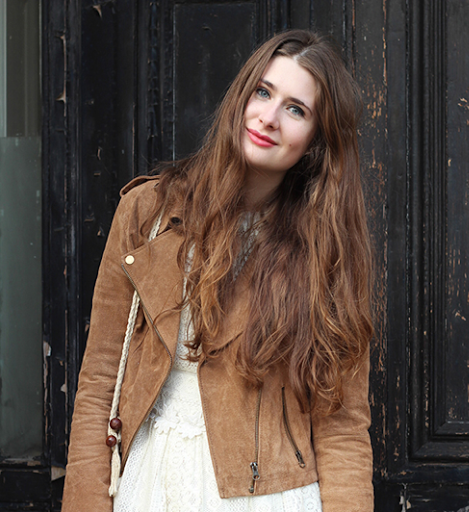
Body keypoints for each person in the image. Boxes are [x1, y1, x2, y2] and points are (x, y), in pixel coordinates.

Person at [62, 29, 374, 512]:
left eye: (296, 109)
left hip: (269, 496)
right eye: (263, 92)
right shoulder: (147, 212)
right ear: (241, 95)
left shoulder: (326, 250)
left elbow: (342, 424)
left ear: (316, 141)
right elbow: (100, 385)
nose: (268, 117)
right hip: (151, 483)